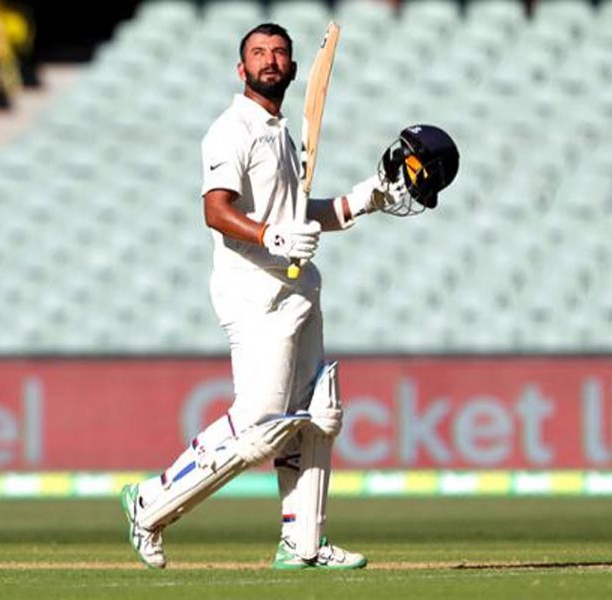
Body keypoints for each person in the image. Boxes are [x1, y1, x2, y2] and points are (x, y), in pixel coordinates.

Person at [120, 22, 406, 571]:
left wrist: (362, 200)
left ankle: (303, 544)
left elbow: (299, 214)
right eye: (258, 53)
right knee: (260, 426)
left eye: (278, 53)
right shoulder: (231, 130)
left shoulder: (281, 134)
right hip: (254, 293)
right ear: (241, 68)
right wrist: (272, 236)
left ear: (293, 68)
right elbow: (216, 210)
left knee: (318, 413)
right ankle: (149, 504)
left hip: (298, 289)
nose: (269, 60)